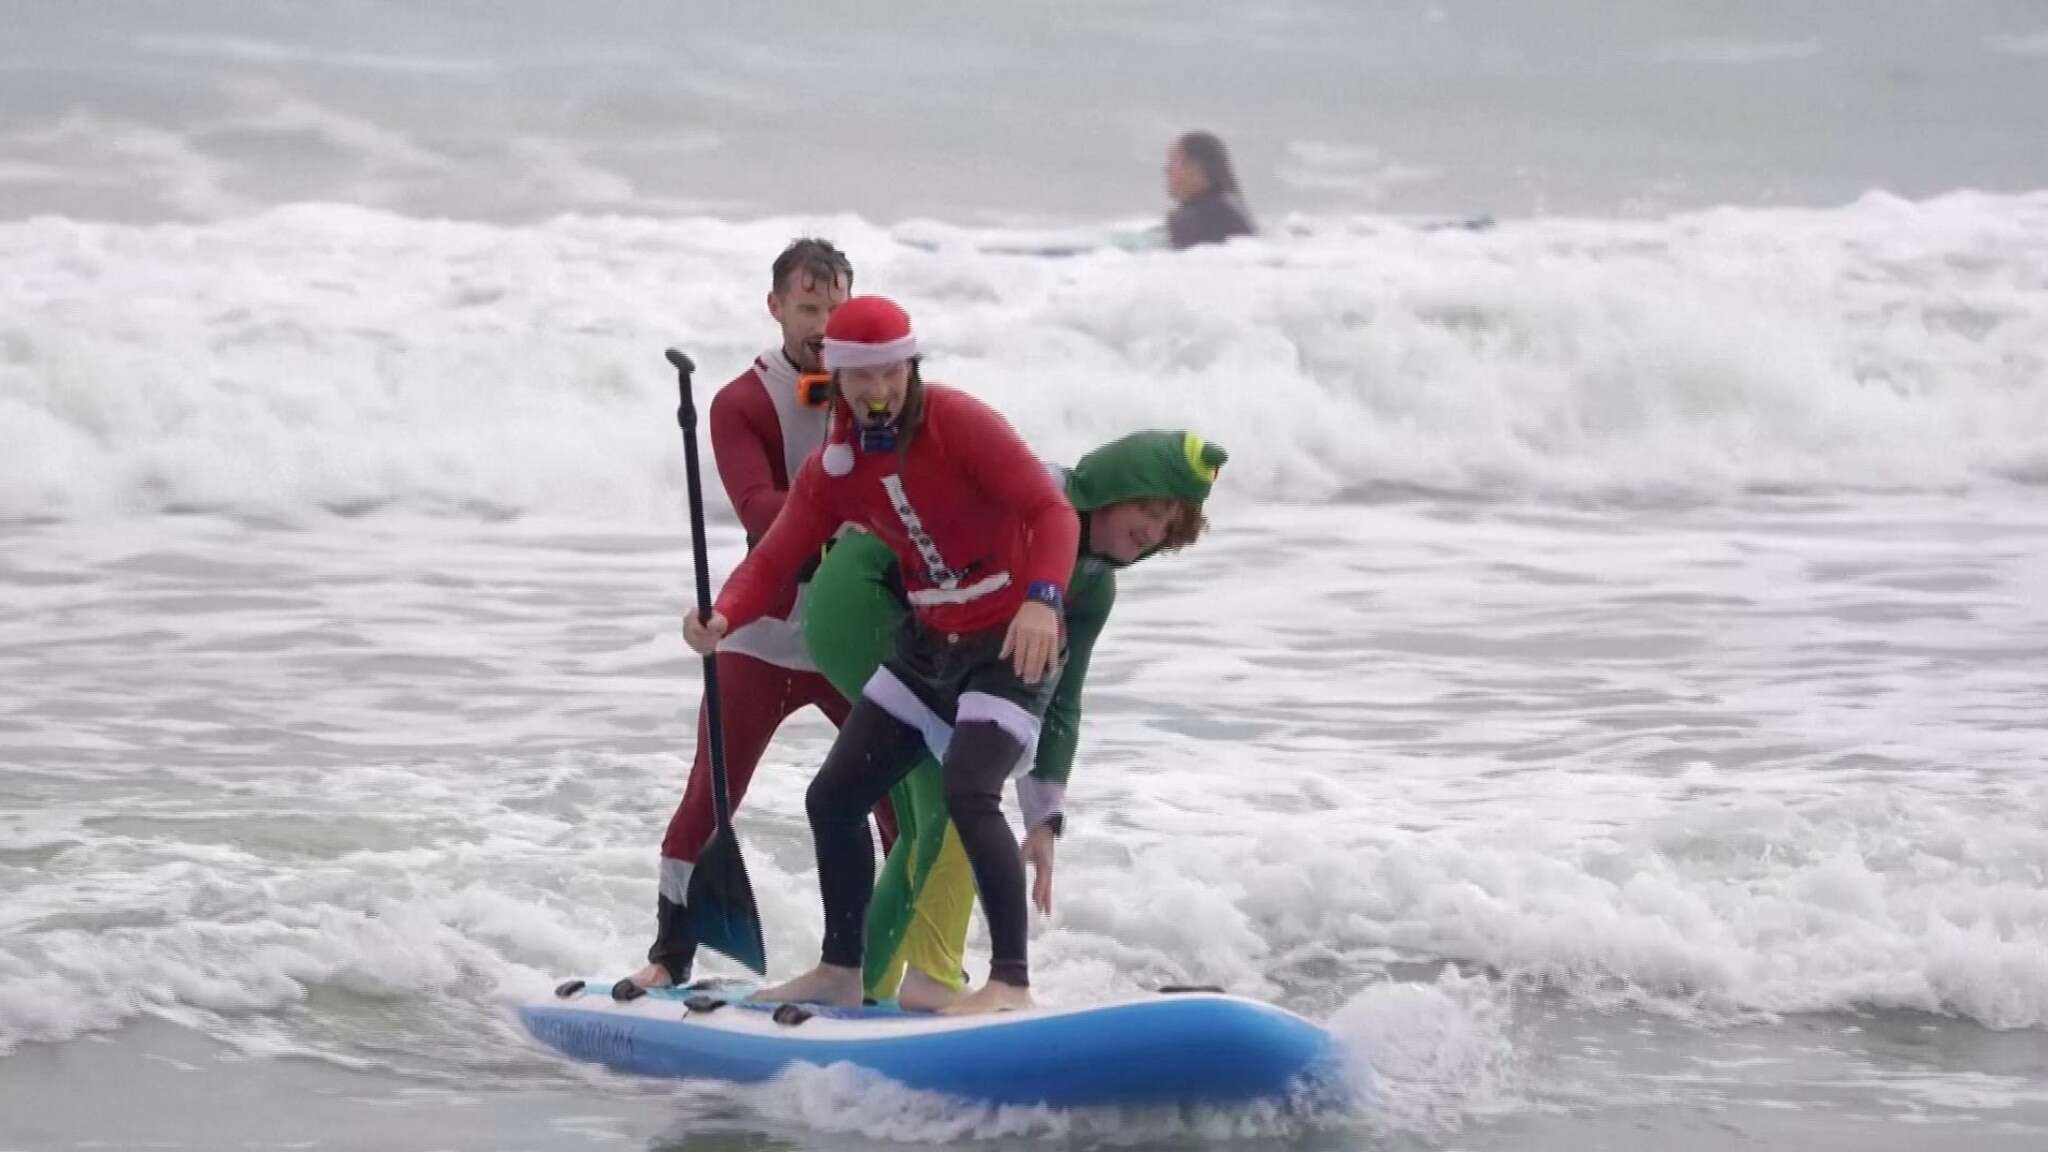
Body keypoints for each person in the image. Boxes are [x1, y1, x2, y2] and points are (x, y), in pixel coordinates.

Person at [682, 294, 1079, 1016]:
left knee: (967, 788)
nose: (878, 392)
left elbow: (1052, 511)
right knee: (832, 796)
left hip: (1009, 643)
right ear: (835, 377)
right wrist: (724, 614)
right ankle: (842, 967)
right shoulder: (835, 469)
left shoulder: (960, 423)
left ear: (911, 367)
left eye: (892, 374)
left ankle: (1011, 982)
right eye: (861, 377)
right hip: (929, 645)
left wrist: (1043, 597)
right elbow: (776, 560)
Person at [802, 430, 1227, 1009]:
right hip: (869, 599)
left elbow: (1060, 699)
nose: (1153, 531)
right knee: (940, 806)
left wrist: (1045, 818)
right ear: (1114, 488)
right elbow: (933, 485)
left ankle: (873, 981)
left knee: (941, 802)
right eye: (1148, 509)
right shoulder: (1030, 501)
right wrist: (865, 513)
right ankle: (905, 982)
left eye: (1168, 523)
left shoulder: (1094, 584)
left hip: (932, 642)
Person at [625, 238, 897, 993]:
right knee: (708, 800)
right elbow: (760, 511)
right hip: (765, 634)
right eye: (808, 308)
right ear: (776, 307)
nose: (822, 323)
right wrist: (856, 513)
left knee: (898, 809)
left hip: (857, 636)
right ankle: (669, 953)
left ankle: (889, 958)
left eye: (836, 308)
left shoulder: (884, 388)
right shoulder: (742, 403)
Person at [1165, 130, 1256, 250]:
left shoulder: (1201, 219)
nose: (1167, 169)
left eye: (1174, 161)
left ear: (1198, 169)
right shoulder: (1231, 209)